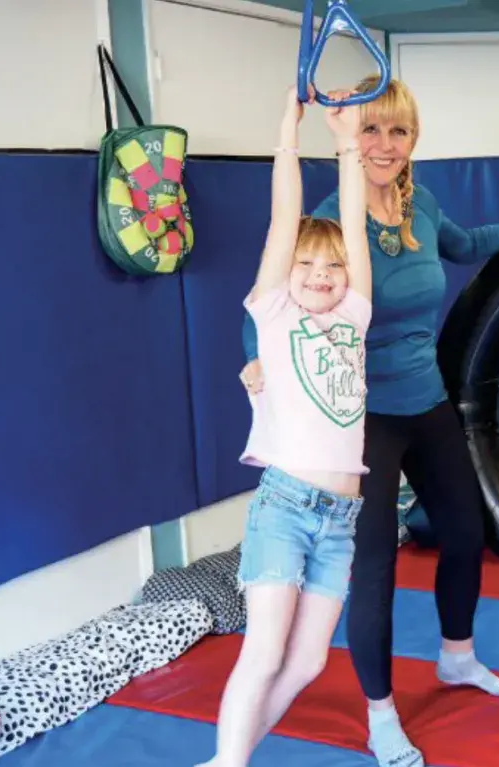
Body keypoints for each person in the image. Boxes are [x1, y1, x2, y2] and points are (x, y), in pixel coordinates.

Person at [238, 76, 499, 767]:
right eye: (370, 129)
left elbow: (470, 242)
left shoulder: (420, 205)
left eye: (397, 131)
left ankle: (457, 657)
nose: (384, 144)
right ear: (351, 138)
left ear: (413, 141)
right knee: (373, 568)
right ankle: (380, 714)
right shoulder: (331, 217)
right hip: (359, 420)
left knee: (466, 530)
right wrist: (256, 363)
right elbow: (273, 292)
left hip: (425, 400)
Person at [199, 84, 370, 767]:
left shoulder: (354, 317)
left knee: (305, 662)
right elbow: (283, 221)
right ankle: (229, 762)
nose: (322, 274)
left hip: (341, 521)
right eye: (308, 264)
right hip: (286, 508)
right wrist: (289, 137)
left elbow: (351, 225)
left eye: (332, 266)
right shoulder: (274, 315)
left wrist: (348, 141)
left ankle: (227, 758)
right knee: (266, 650)